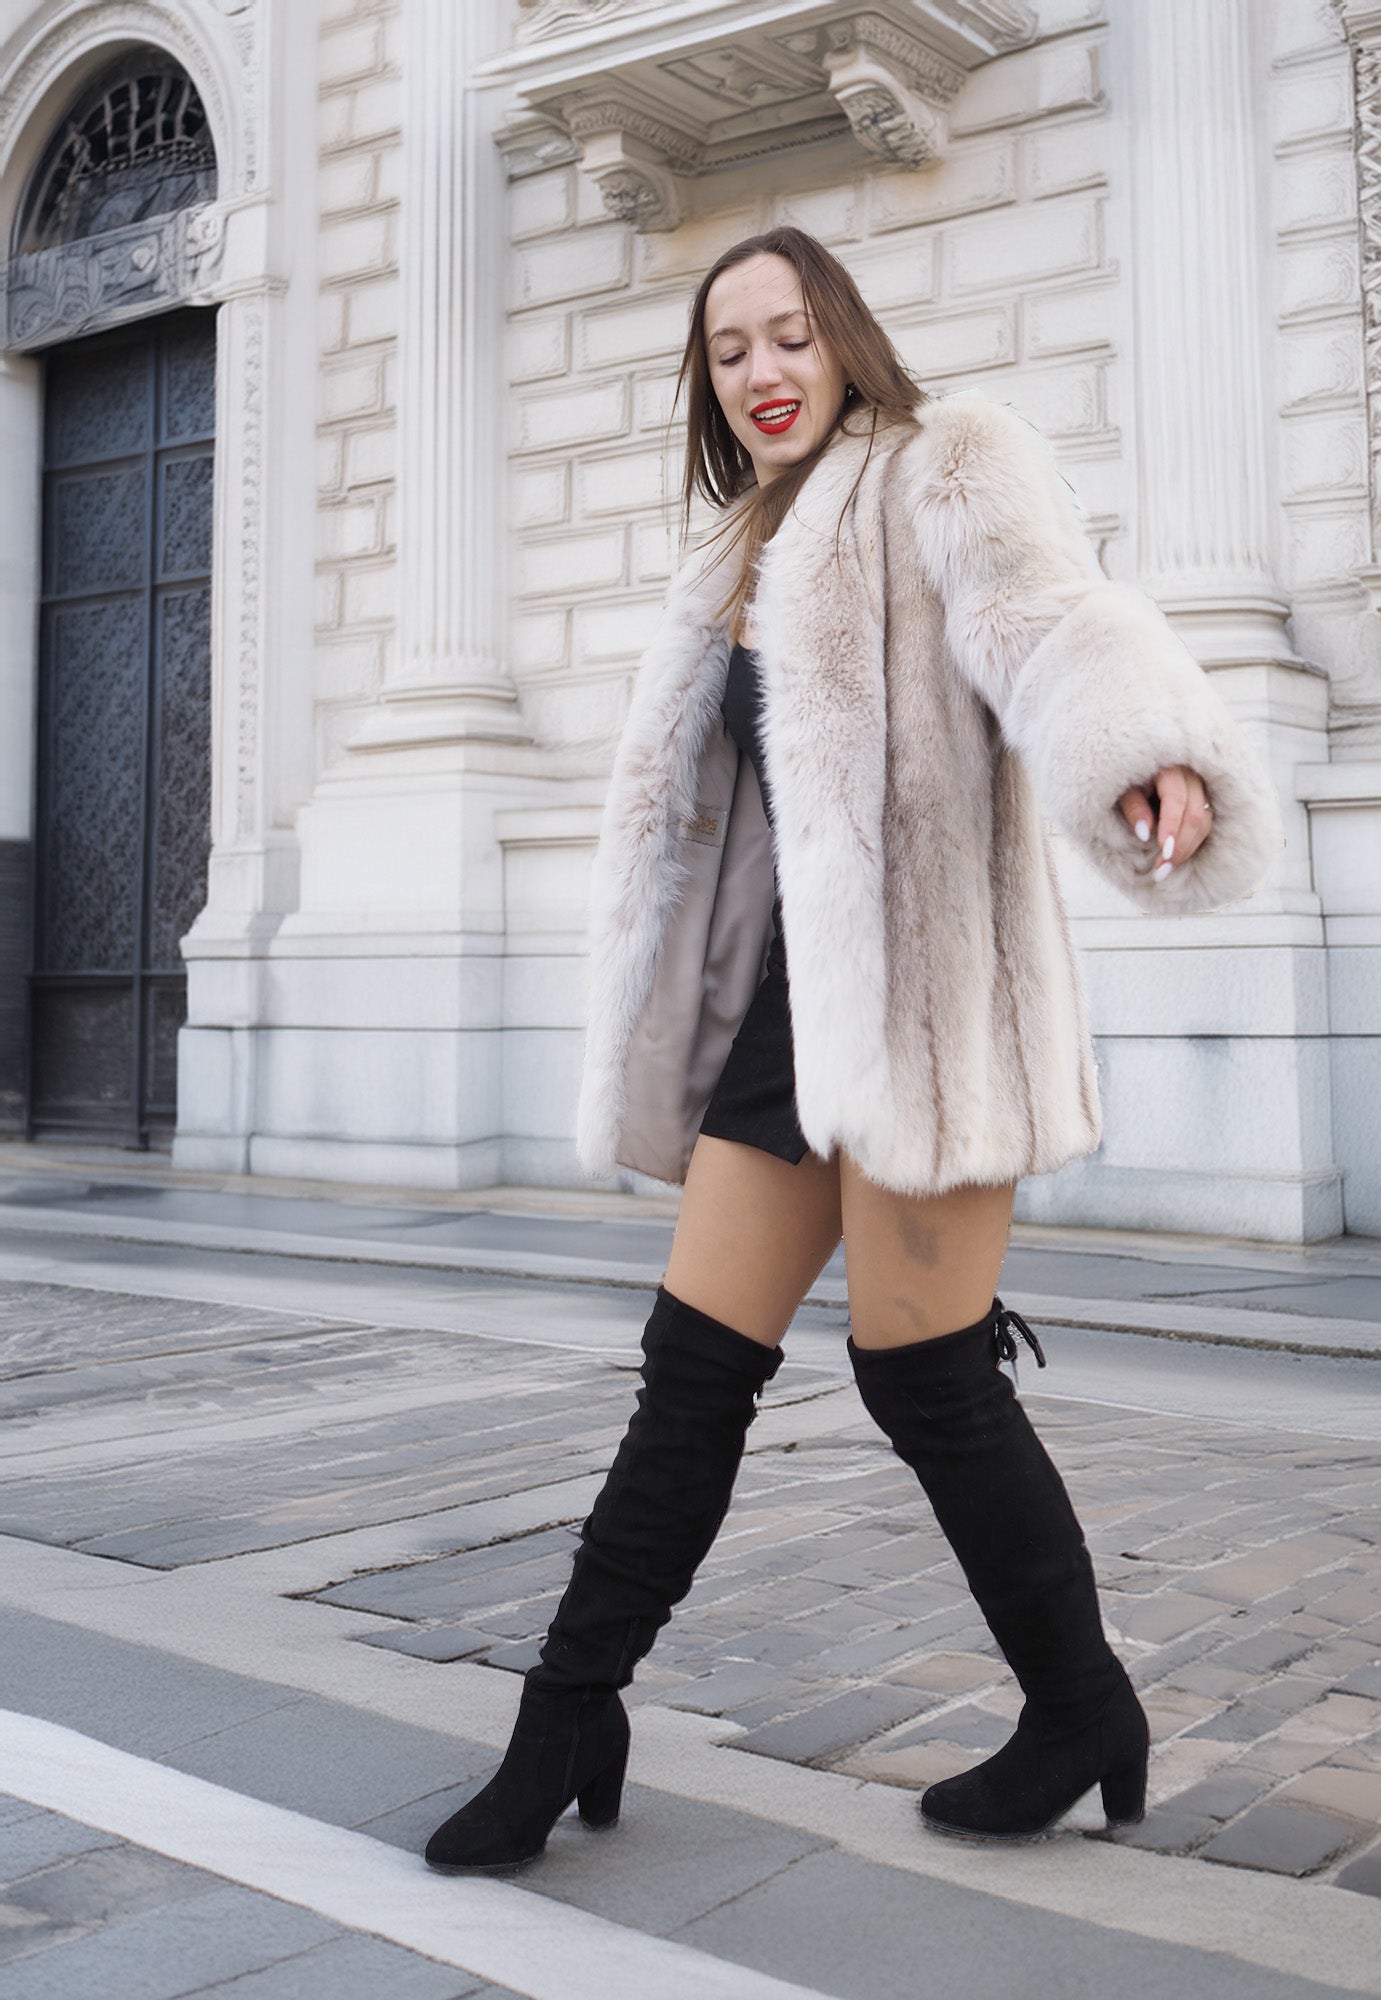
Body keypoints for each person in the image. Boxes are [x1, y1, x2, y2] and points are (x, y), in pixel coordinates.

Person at [425, 226, 1281, 1876]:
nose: (763, 370)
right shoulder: (734, 552)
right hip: (781, 1030)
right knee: (689, 1377)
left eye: (790, 334)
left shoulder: (942, 466)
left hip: (927, 1012)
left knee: (927, 1380)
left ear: (846, 341)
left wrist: (1140, 752)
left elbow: (1048, 620)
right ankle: (567, 1715)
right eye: (729, 347)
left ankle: (1082, 1708)